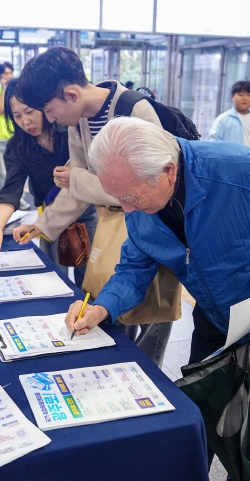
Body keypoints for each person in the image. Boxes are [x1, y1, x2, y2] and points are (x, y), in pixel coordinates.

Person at [64, 117, 250, 369]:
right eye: (117, 197)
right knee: (204, 402)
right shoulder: (140, 197)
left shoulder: (244, 168)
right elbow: (134, 268)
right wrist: (101, 308)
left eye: (130, 197)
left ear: (168, 172)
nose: (126, 209)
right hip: (215, 321)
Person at [14, 46, 179, 368]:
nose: (50, 119)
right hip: (114, 225)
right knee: (116, 306)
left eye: (49, 110)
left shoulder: (134, 110)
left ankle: (151, 379)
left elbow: (151, 188)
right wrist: (42, 225)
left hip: (153, 223)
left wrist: (78, 180)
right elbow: (77, 189)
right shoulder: (79, 121)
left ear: (71, 95)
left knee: (154, 312)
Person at [0, 78, 98, 287]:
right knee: (52, 277)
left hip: (87, 210)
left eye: (30, 112)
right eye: (17, 116)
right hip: (50, 215)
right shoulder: (18, 147)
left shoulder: (69, 129)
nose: (26, 122)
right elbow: (11, 191)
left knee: (90, 279)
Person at [0, 61, 30, 210]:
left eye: (10, 73)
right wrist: (4, 91)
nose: (9, 76)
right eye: (5, 73)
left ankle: (20, 200)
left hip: (17, 135)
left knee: (19, 170)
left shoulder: (19, 93)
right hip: (1, 137)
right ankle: (4, 202)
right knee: (2, 172)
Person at [208, 80, 250, 148]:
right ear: (232, 97)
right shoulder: (222, 119)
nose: (245, 98)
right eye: (240, 95)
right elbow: (212, 144)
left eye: (249, 95)